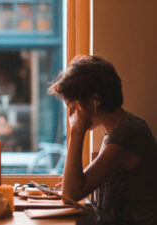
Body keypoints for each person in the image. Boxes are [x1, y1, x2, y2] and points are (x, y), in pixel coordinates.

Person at [48, 55, 157, 225]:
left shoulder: (127, 133)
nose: (71, 116)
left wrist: (77, 131)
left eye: (73, 107)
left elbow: (71, 194)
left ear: (95, 99)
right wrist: (73, 179)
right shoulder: (117, 131)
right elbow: (77, 186)